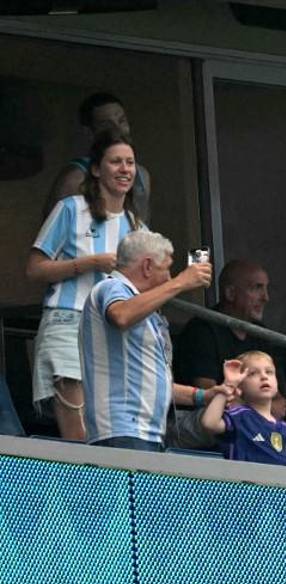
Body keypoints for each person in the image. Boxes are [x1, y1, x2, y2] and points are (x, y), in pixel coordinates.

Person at [27, 130, 143, 441]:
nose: (124, 169)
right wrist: (90, 263)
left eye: (130, 163)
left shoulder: (135, 225)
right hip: (68, 321)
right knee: (79, 437)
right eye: (115, 162)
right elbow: (35, 269)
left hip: (113, 333)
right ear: (95, 169)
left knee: (110, 432)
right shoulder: (70, 209)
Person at [79, 230, 213, 450]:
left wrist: (202, 396)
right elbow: (120, 316)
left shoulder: (143, 309)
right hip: (122, 429)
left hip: (143, 432)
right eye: (167, 268)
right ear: (147, 266)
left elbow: (152, 383)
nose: (170, 276)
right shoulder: (111, 287)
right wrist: (180, 282)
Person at [173, 258, 286, 415]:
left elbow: (279, 401)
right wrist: (258, 410)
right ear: (230, 293)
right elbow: (208, 396)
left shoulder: (261, 333)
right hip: (213, 422)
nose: (265, 297)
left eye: (266, 289)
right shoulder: (202, 330)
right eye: (257, 288)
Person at [201, 352, 286, 467]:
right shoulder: (239, 417)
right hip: (246, 497)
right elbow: (209, 423)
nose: (263, 376)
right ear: (240, 386)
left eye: (269, 372)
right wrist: (228, 386)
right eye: (253, 373)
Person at [44, 92, 151, 223]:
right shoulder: (75, 179)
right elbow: (52, 237)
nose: (117, 129)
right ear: (89, 132)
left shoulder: (141, 175)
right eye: (106, 125)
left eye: (122, 121)